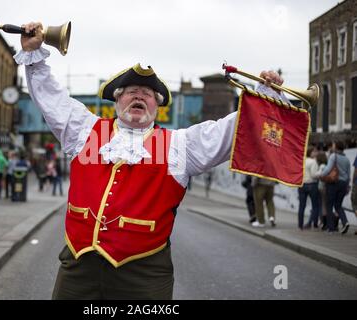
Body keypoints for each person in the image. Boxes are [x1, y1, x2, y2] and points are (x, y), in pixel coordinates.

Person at [16, 21, 287, 300]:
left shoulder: (179, 146)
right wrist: (34, 56)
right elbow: (51, 99)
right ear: (117, 101)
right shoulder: (84, 131)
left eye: (147, 94)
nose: (139, 96)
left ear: (157, 106)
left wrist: (262, 97)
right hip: (78, 267)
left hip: (144, 276)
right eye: (131, 91)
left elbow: (227, 132)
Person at [319, 141, 350, 234]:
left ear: (336, 147)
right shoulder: (347, 159)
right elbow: (348, 175)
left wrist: (321, 175)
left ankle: (331, 228)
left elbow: (328, 169)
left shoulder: (333, 156)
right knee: (338, 205)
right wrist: (348, 186)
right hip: (343, 184)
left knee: (329, 205)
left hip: (333, 183)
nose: (332, 147)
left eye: (333, 145)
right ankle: (345, 222)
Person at [298, 147, 320, 230]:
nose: (316, 153)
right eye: (314, 151)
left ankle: (300, 225)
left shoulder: (302, 161)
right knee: (315, 205)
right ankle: (315, 224)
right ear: (310, 152)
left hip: (302, 185)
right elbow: (314, 174)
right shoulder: (313, 161)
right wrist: (321, 172)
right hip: (312, 184)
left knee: (301, 206)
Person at [315, 151, 329, 230]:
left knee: (323, 205)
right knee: (325, 205)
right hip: (325, 186)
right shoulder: (326, 165)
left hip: (322, 187)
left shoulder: (322, 166)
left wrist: (314, 174)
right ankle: (324, 222)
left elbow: (319, 174)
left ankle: (324, 223)